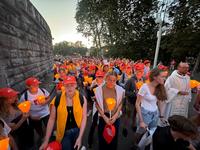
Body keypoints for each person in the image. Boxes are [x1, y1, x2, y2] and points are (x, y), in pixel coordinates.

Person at [40, 76, 87, 150]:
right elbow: (51, 119)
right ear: (63, 86)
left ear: (75, 85)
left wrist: (80, 137)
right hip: (63, 133)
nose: (69, 87)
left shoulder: (82, 98)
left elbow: (84, 117)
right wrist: (46, 140)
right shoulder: (57, 99)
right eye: (67, 85)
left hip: (77, 131)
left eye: (72, 85)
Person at [95, 71, 125, 150]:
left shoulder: (120, 90)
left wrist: (115, 117)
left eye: (114, 80)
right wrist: (104, 117)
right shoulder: (99, 90)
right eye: (109, 80)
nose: (111, 82)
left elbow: (120, 103)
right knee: (103, 138)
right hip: (103, 116)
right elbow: (97, 104)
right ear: (106, 79)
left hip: (115, 117)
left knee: (114, 139)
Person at [20, 77, 50, 143]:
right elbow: (23, 109)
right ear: (28, 87)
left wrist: (46, 102)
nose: (36, 87)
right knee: (38, 129)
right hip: (33, 116)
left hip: (45, 112)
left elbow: (48, 98)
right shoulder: (24, 96)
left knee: (49, 125)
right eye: (34, 85)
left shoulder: (42, 91)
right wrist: (31, 116)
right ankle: (42, 137)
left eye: (37, 84)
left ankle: (49, 136)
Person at [88, 70, 105, 148]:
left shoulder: (106, 85)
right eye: (98, 77)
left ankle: (102, 140)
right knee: (94, 124)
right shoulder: (94, 86)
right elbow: (91, 97)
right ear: (96, 77)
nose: (100, 78)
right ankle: (89, 141)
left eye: (101, 77)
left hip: (104, 108)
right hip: (96, 107)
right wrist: (94, 97)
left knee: (102, 124)